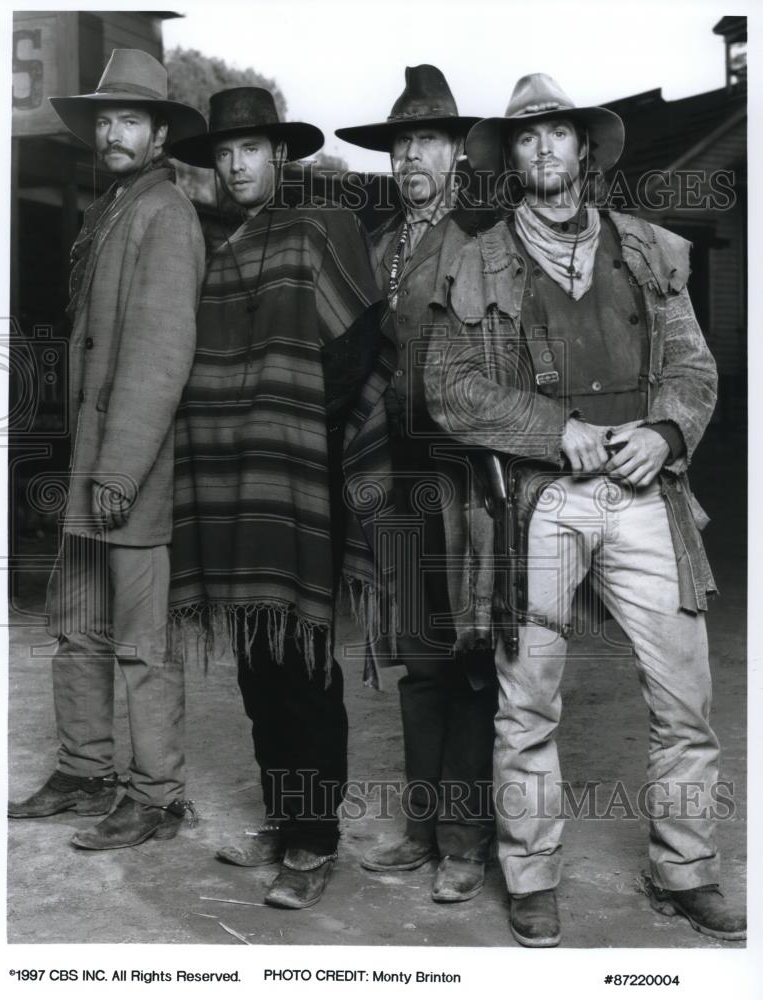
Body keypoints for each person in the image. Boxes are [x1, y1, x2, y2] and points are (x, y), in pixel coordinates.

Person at [425, 73, 745, 944]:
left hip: (645, 495)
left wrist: (668, 435)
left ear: (585, 148)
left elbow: (695, 368)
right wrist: (549, 427)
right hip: (539, 502)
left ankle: (685, 871)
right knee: (527, 703)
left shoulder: (645, 248)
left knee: (685, 699)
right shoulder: (478, 257)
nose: (543, 148)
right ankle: (531, 877)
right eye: (525, 137)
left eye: (557, 133)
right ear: (512, 156)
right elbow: (447, 389)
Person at [169, 88, 393, 909]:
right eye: (225, 153)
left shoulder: (321, 228)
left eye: (251, 149)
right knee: (257, 664)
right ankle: (281, 813)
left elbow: (364, 339)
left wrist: (291, 413)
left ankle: (314, 840)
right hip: (232, 484)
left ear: (280, 155)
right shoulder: (211, 245)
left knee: (302, 662)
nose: (235, 165)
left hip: (301, 476)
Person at [8, 49, 207, 849]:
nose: (113, 132)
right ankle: (86, 769)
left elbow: (163, 354)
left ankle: (157, 797)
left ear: (159, 133)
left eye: (129, 119)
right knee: (78, 627)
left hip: (131, 473)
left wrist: (121, 469)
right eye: (105, 121)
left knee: (140, 644)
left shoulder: (166, 213)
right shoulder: (112, 209)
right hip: (94, 467)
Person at [336, 66, 498, 904]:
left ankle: (467, 845)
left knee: (471, 660)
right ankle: (423, 829)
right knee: (419, 663)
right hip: (392, 480)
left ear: (458, 154)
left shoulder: (480, 245)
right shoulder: (374, 247)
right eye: (400, 144)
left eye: (427, 141)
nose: (411, 157)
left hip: (461, 482)